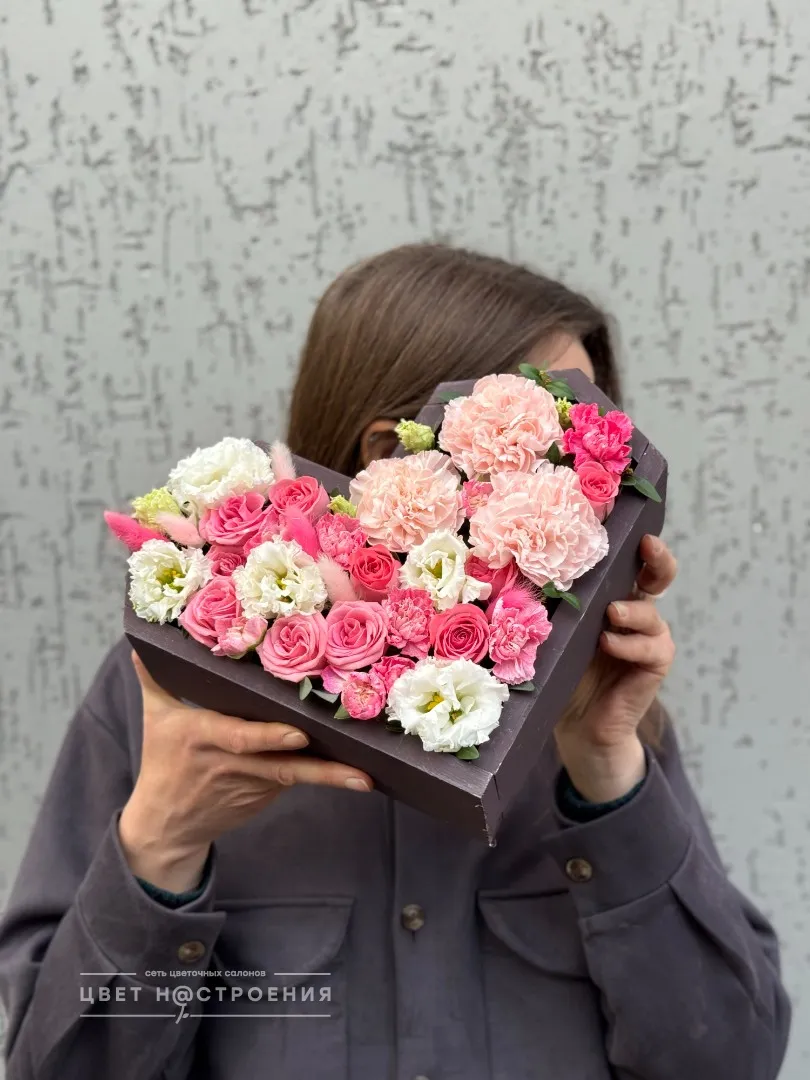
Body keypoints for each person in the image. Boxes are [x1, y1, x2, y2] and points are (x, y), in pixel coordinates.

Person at [0, 245, 790, 1080]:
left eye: (590, 464)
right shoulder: (169, 707)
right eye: (541, 452)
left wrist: (607, 769)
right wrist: (162, 842)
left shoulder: (598, 724)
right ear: (390, 458)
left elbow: (728, 1061)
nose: (580, 497)